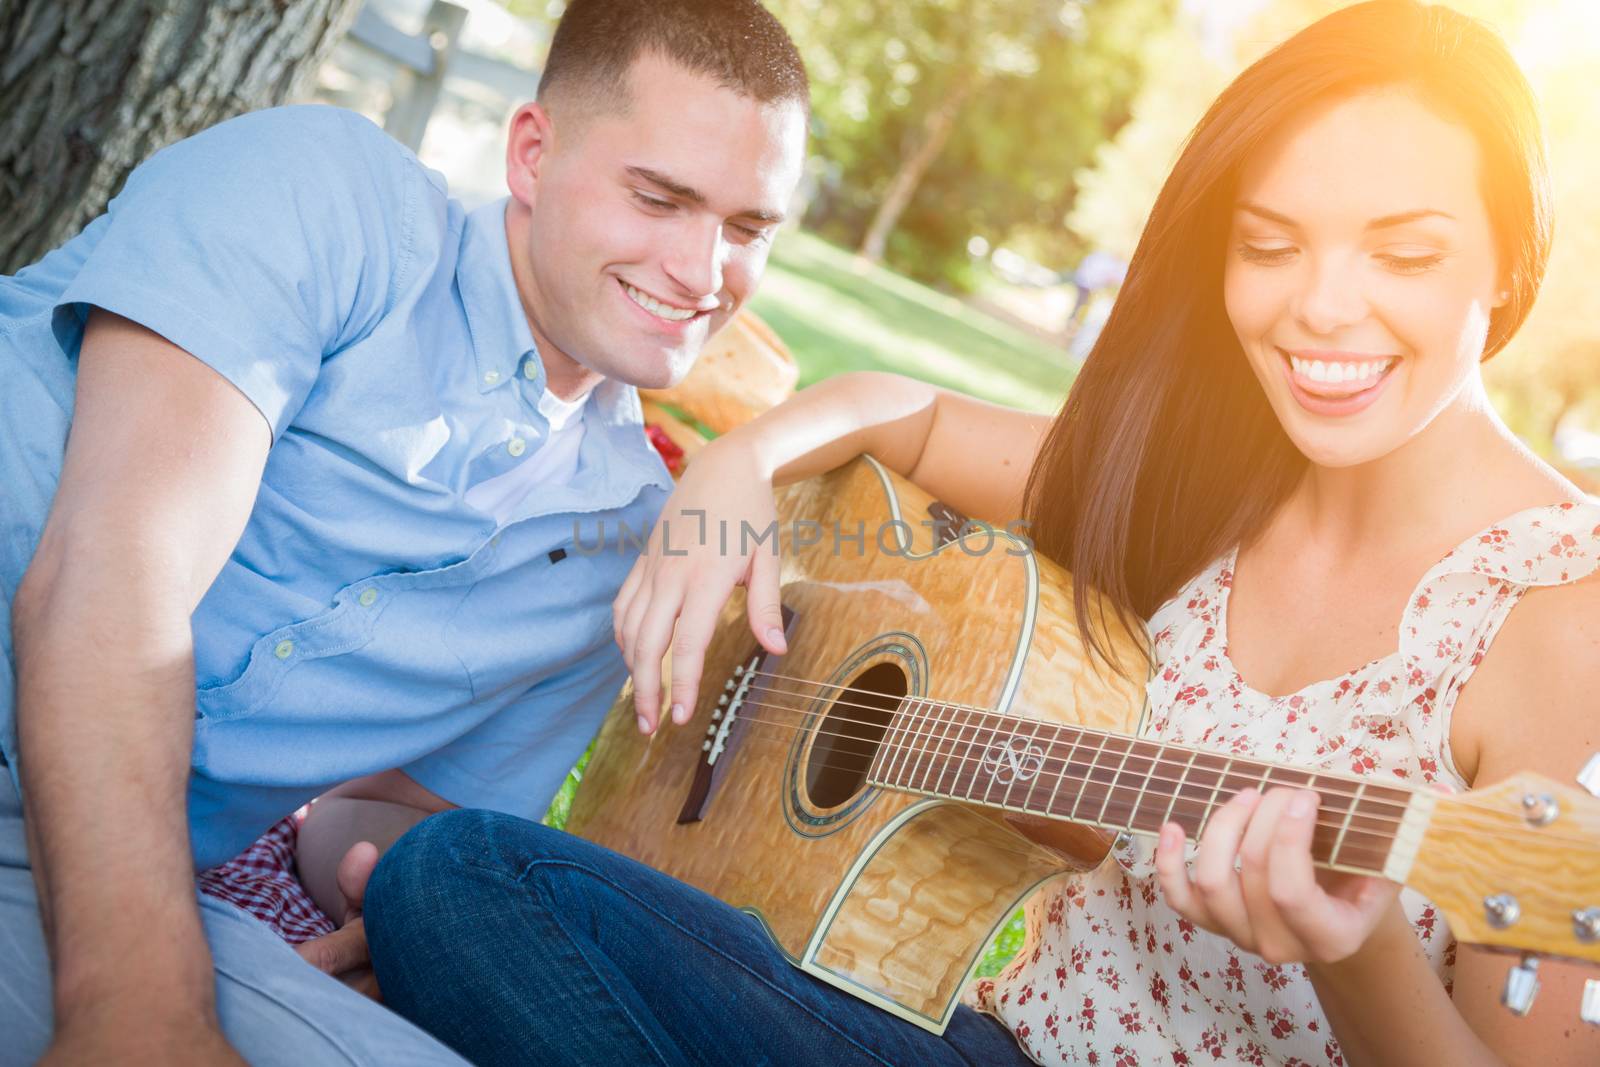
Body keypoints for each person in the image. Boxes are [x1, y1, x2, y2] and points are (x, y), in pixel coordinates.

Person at [364, 3, 1600, 1065]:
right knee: (466, 878)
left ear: (1507, 260)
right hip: (979, 1041)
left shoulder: (1565, 609)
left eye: (1405, 252)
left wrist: (1358, 951)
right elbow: (906, 415)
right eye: (1268, 245)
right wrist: (733, 467)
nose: (1322, 306)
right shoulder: (1217, 476)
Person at [0, 0, 808, 1062]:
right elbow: (109, 581)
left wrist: (396, 898)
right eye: (658, 197)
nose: (704, 273)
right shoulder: (324, 193)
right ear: (532, 152)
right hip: (113, 900)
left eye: (747, 228)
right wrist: (141, 1011)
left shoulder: (621, 546)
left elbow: (383, 809)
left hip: (80, 869)